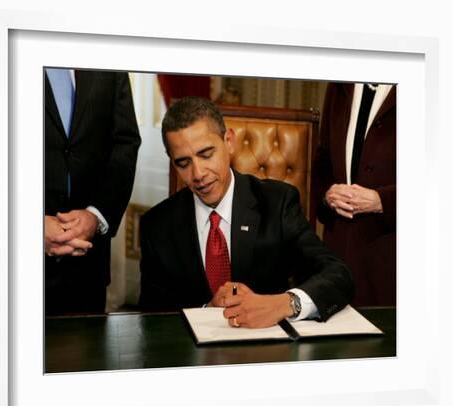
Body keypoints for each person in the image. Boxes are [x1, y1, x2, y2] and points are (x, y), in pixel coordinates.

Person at [139, 96, 353, 328]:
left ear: (229, 141)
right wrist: (206, 311)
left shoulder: (277, 202)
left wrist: (284, 304)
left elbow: (338, 275)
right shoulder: (156, 226)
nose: (198, 173)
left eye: (206, 154)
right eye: (183, 163)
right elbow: (152, 320)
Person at [44, 68, 141, 315]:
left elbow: (125, 142)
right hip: (11, 267)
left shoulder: (107, 59)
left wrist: (95, 216)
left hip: (88, 265)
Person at [311, 82, 396, 306]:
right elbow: (323, 161)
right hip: (338, 251)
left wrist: (383, 201)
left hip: (392, 257)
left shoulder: (427, 79)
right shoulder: (339, 84)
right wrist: (328, 193)